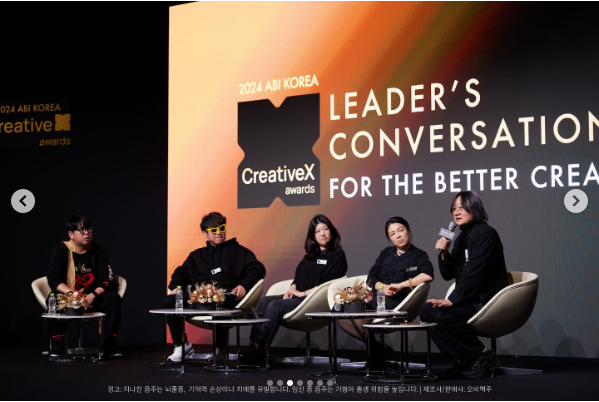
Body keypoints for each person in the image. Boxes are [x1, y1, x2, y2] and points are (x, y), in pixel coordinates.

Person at [419, 191, 507, 379]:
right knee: (427, 310)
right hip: (469, 298)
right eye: (454, 209)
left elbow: (475, 273)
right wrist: (444, 253)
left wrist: (452, 300)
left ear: (474, 208)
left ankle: (481, 355)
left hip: (486, 299)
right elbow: (448, 274)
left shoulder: (486, 234)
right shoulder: (462, 237)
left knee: (446, 315)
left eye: (462, 208)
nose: (456, 212)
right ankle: (466, 357)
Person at [163, 212, 266, 362]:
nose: (219, 232)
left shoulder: (239, 252)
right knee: (168, 301)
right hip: (199, 299)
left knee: (218, 300)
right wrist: (176, 287)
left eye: (222, 228)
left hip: (226, 298)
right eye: (214, 230)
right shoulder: (196, 256)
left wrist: (244, 285)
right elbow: (180, 272)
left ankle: (220, 350)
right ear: (205, 233)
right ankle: (182, 346)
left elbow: (258, 269)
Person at [246, 214, 348, 362]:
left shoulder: (337, 254)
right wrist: (291, 290)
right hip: (299, 297)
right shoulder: (310, 256)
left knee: (274, 306)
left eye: (325, 229)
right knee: (264, 301)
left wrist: (302, 293)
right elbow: (297, 278)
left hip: (312, 300)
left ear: (331, 231)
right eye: (317, 231)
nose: (322, 233)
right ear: (313, 235)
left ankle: (261, 351)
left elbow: (329, 284)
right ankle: (254, 345)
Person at [46, 215, 122, 357]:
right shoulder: (60, 250)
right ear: (71, 234)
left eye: (89, 229)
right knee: (54, 299)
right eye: (82, 230)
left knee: (113, 298)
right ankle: (58, 343)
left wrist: (92, 296)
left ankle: (110, 343)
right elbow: (53, 279)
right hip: (69, 296)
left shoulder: (98, 252)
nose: (87, 233)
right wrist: (73, 295)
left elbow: (107, 279)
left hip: (91, 297)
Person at [362, 216, 433, 366]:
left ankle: (374, 350)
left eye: (400, 230)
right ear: (390, 238)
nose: (398, 236)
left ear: (409, 231)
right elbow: (371, 277)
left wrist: (401, 285)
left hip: (401, 303)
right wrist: (383, 287)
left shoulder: (418, 255)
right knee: (346, 310)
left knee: (360, 313)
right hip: (379, 298)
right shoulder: (386, 253)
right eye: (392, 234)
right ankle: (375, 347)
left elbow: (427, 275)